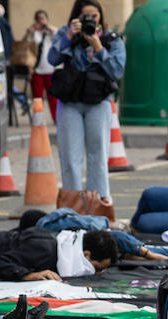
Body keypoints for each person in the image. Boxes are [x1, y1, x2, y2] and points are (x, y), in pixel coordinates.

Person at [46, 0, 124, 201]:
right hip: (70, 101)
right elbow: (52, 59)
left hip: (98, 102)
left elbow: (117, 71)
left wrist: (98, 47)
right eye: (85, 16)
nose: (90, 20)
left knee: (98, 157)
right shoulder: (67, 33)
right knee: (70, 157)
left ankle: (96, 204)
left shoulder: (110, 38)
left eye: (94, 16)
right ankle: (72, 205)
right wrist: (69, 37)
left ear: (101, 17)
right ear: (76, 17)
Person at [24, 9, 57, 113]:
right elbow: (25, 45)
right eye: (39, 19)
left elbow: (60, 40)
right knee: (37, 98)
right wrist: (29, 32)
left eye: (43, 18)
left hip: (50, 69)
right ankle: (38, 120)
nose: (41, 21)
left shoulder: (52, 31)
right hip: (36, 70)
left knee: (53, 96)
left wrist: (48, 28)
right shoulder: (34, 33)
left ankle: (56, 119)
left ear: (47, 19)